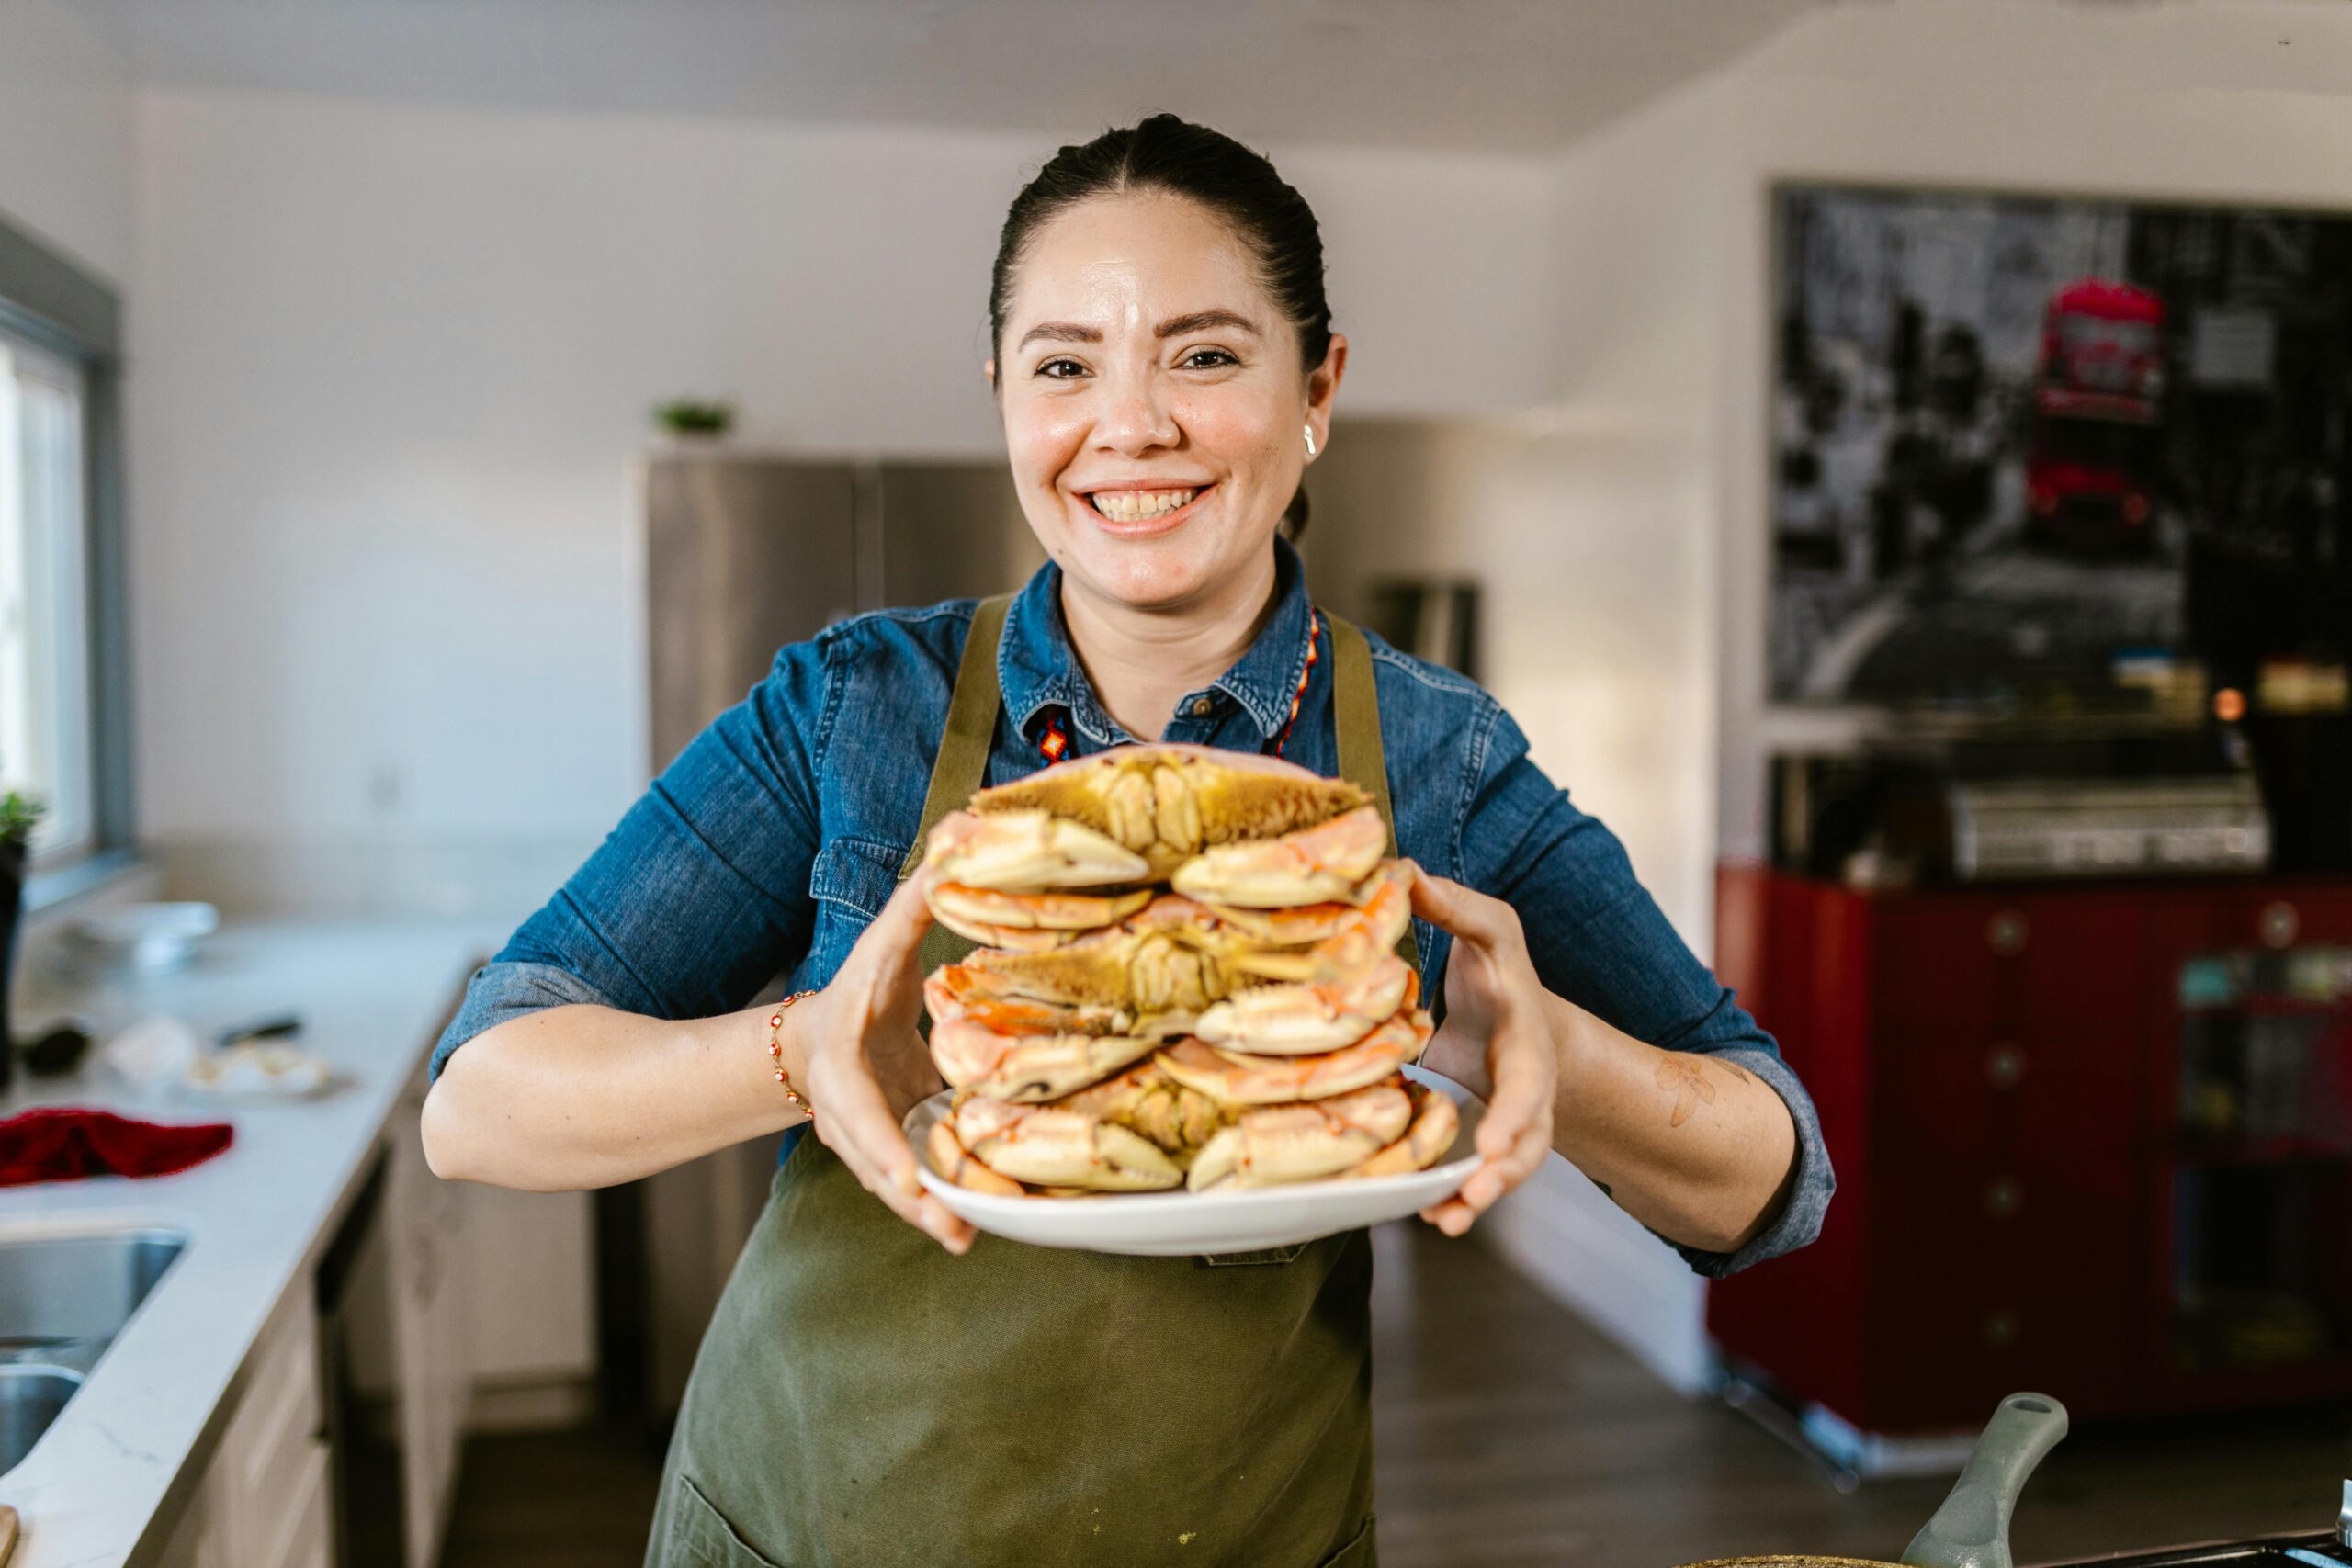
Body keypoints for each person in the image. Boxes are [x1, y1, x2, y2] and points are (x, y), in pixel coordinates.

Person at [422, 113, 1832, 1568]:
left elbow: (1772, 1179)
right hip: (806, 1530)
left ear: (1318, 389)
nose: (1131, 423)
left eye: (1206, 354)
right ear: (1004, 401)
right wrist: (803, 1048)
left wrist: (1537, 1048)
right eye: (1063, 365)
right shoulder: (855, 708)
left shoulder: (1439, 758)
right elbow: (478, 1102)